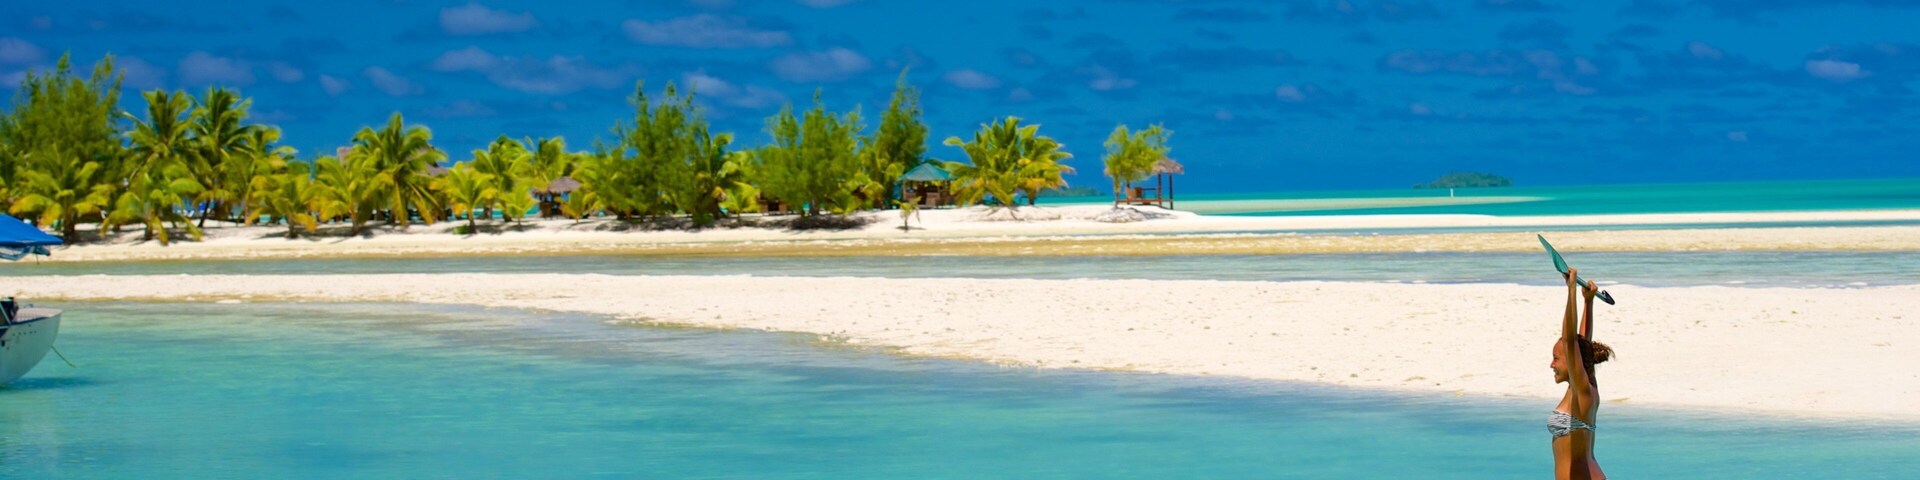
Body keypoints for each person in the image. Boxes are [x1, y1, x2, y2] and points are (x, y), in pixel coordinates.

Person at [1551, 268, 1614, 479]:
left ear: (1572, 361)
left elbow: (1571, 340)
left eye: (1556, 358)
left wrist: (1571, 290)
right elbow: (1581, 343)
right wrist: (1588, 302)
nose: (1551, 364)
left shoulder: (1583, 390)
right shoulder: (1581, 388)